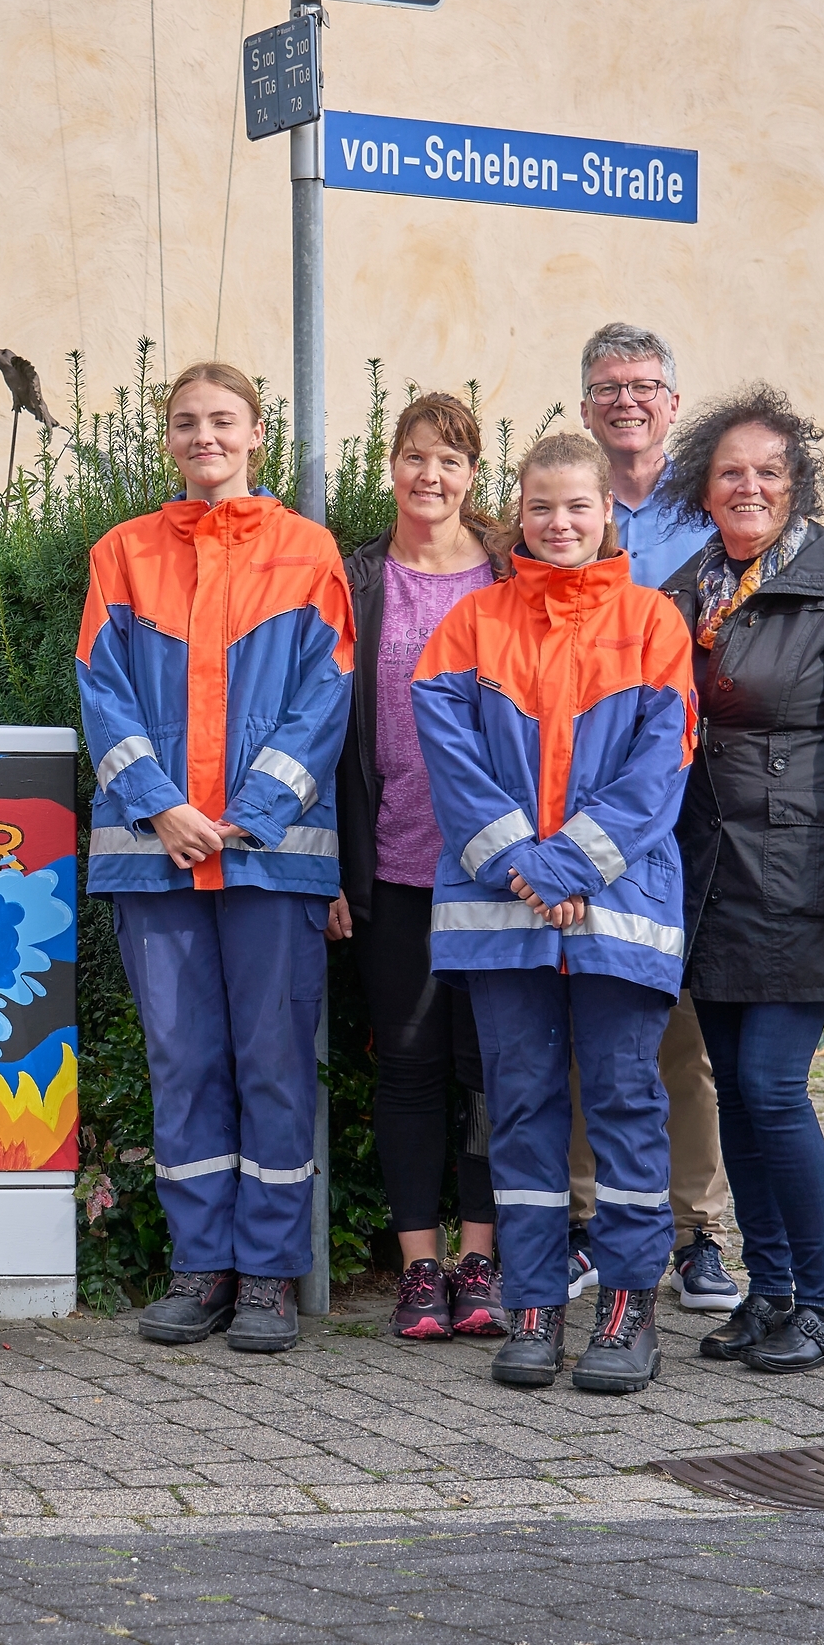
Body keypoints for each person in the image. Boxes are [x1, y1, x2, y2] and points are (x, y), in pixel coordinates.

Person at [78, 361, 353, 1355]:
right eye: (187, 422)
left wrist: (245, 815)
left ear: (255, 433)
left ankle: (270, 1277)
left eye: (222, 420)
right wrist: (161, 810)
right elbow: (98, 693)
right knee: (182, 1064)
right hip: (155, 862)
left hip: (268, 863)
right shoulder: (122, 554)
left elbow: (325, 699)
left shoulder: (306, 552)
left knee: (274, 1065)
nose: (205, 436)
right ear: (167, 440)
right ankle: (200, 1269)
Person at [414, 432, 694, 1394]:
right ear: (517, 513)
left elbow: (661, 770)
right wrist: (526, 870)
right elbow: (452, 767)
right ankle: (533, 1304)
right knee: (523, 1116)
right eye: (542, 507)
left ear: (606, 512)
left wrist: (563, 865)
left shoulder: (656, 624)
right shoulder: (469, 625)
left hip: (616, 913)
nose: (561, 523)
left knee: (624, 1109)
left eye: (578, 506)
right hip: (507, 919)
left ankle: (626, 1308)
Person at [660, 387, 824, 1374]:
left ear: (794, 482)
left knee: (769, 1087)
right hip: (712, 876)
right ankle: (771, 1295)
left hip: (803, 876)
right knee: (736, 1099)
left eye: (767, 470)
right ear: (703, 491)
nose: (748, 485)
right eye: (729, 473)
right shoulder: (689, 587)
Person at [328, 392, 507, 1342]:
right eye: (413, 457)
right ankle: (419, 1271)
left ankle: (481, 1261)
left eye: (448, 459)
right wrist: (335, 874)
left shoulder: (512, 572)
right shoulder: (358, 577)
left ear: (473, 474)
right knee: (405, 1067)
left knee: (487, 1071)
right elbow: (325, 733)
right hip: (392, 865)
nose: (428, 476)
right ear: (390, 465)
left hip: (496, 871)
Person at [571, 322, 739, 1317]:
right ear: (584, 404)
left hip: (692, 806)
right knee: (587, 1022)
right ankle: (590, 1226)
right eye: (605, 387)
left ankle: (697, 1233)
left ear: (673, 403)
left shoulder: (711, 511)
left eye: (642, 385)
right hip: (580, 809)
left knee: (683, 1038)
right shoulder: (565, 505)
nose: (624, 401)